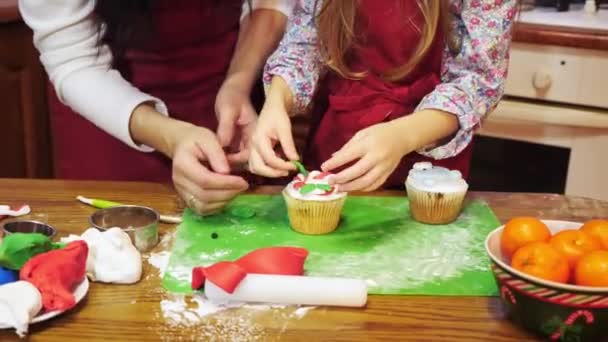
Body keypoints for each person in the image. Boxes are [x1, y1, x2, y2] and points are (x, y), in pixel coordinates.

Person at [19, 0, 293, 214]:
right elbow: (74, 61)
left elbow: (270, 5)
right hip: (108, 108)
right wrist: (171, 137)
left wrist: (238, 83)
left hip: (230, 78)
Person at [249, 0, 517, 192]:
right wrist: (276, 102)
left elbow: (477, 81)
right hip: (339, 140)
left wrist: (402, 136)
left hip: (429, 166)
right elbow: (304, 44)